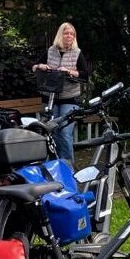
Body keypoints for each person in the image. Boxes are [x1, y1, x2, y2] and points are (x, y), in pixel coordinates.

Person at [32, 22, 89, 162]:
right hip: (50, 98)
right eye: (66, 33)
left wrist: (69, 71)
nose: (69, 36)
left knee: (64, 132)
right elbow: (34, 67)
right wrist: (41, 66)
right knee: (51, 133)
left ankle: (68, 168)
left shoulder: (77, 53)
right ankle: (54, 165)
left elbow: (85, 75)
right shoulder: (51, 50)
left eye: (72, 34)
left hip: (69, 99)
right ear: (60, 35)